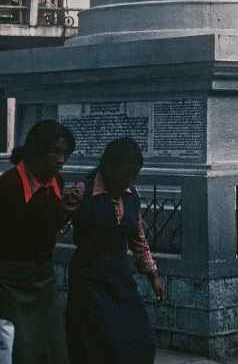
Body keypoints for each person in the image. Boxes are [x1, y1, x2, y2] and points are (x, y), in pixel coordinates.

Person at [64, 137, 165, 364]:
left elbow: (137, 237)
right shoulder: (83, 191)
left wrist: (153, 275)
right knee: (100, 342)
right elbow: (57, 224)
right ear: (109, 167)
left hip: (119, 274)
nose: (128, 180)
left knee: (139, 337)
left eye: (133, 175)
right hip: (89, 276)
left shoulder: (131, 195)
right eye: (124, 173)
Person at [0, 119, 75, 364]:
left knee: (52, 347)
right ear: (37, 151)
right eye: (55, 152)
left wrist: (65, 211)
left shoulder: (56, 184)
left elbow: (49, 230)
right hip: (9, 280)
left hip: (43, 277)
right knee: (21, 350)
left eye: (65, 153)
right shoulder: (8, 186)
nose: (61, 160)